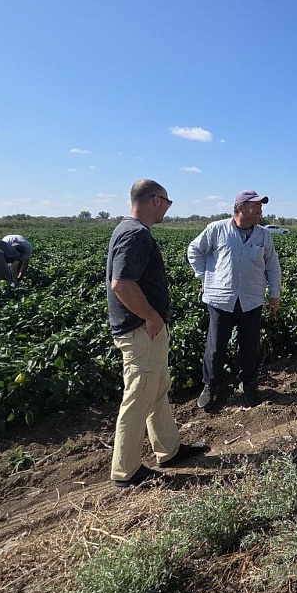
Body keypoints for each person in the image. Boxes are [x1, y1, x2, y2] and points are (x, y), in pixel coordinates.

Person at [106, 179, 208, 487]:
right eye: (167, 201)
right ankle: (126, 471)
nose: (168, 207)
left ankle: (169, 450)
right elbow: (121, 283)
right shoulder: (135, 234)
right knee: (138, 396)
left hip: (145, 329)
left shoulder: (128, 230)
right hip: (141, 330)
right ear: (154, 200)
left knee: (157, 389)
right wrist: (150, 317)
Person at [187, 189, 282, 410]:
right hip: (220, 299)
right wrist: (205, 276)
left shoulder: (264, 235)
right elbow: (194, 251)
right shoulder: (216, 229)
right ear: (240, 207)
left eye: (260, 206)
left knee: (250, 346)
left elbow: (272, 267)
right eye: (255, 205)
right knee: (216, 346)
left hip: (252, 299)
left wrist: (275, 294)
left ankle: (247, 384)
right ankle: (210, 386)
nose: (260, 210)